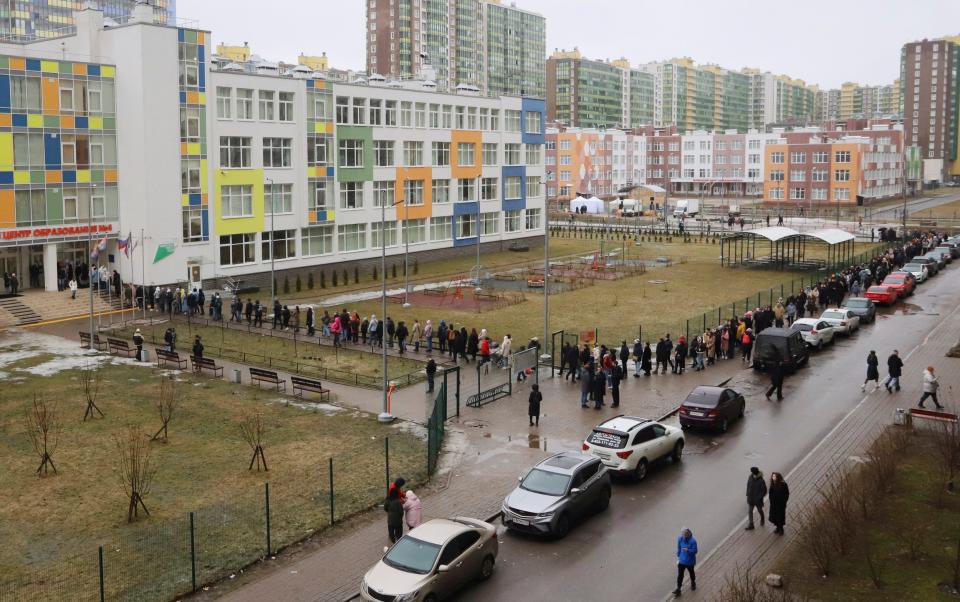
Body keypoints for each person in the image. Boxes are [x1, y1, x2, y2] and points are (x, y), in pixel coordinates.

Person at [673, 527, 698, 596]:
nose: (684, 537)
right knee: (680, 575)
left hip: (690, 562)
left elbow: (695, 551)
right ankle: (678, 589)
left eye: (685, 535)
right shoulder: (680, 539)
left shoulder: (693, 541)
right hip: (681, 561)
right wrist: (678, 557)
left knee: (691, 573)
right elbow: (679, 548)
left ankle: (693, 583)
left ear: (688, 534)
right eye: (683, 535)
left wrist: (688, 550)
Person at [745, 466, 767, 530]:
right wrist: (747, 494)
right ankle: (751, 524)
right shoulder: (750, 477)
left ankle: (762, 518)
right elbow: (748, 485)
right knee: (750, 511)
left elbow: (764, 491)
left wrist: (759, 497)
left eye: (752, 472)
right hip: (751, 498)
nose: (751, 473)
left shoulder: (761, 480)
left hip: (757, 500)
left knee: (759, 510)